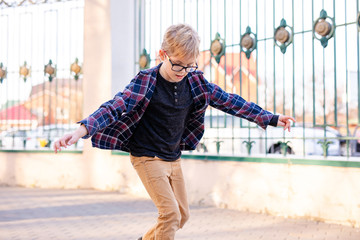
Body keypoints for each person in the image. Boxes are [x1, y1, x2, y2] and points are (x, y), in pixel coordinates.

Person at [54, 24, 295, 240]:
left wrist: (271, 118)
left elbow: (231, 101)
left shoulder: (196, 81)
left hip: (173, 157)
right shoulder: (146, 81)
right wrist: (81, 130)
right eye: (177, 64)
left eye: (189, 66)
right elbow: (115, 106)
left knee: (181, 216)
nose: (183, 71)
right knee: (169, 214)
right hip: (147, 157)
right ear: (163, 55)